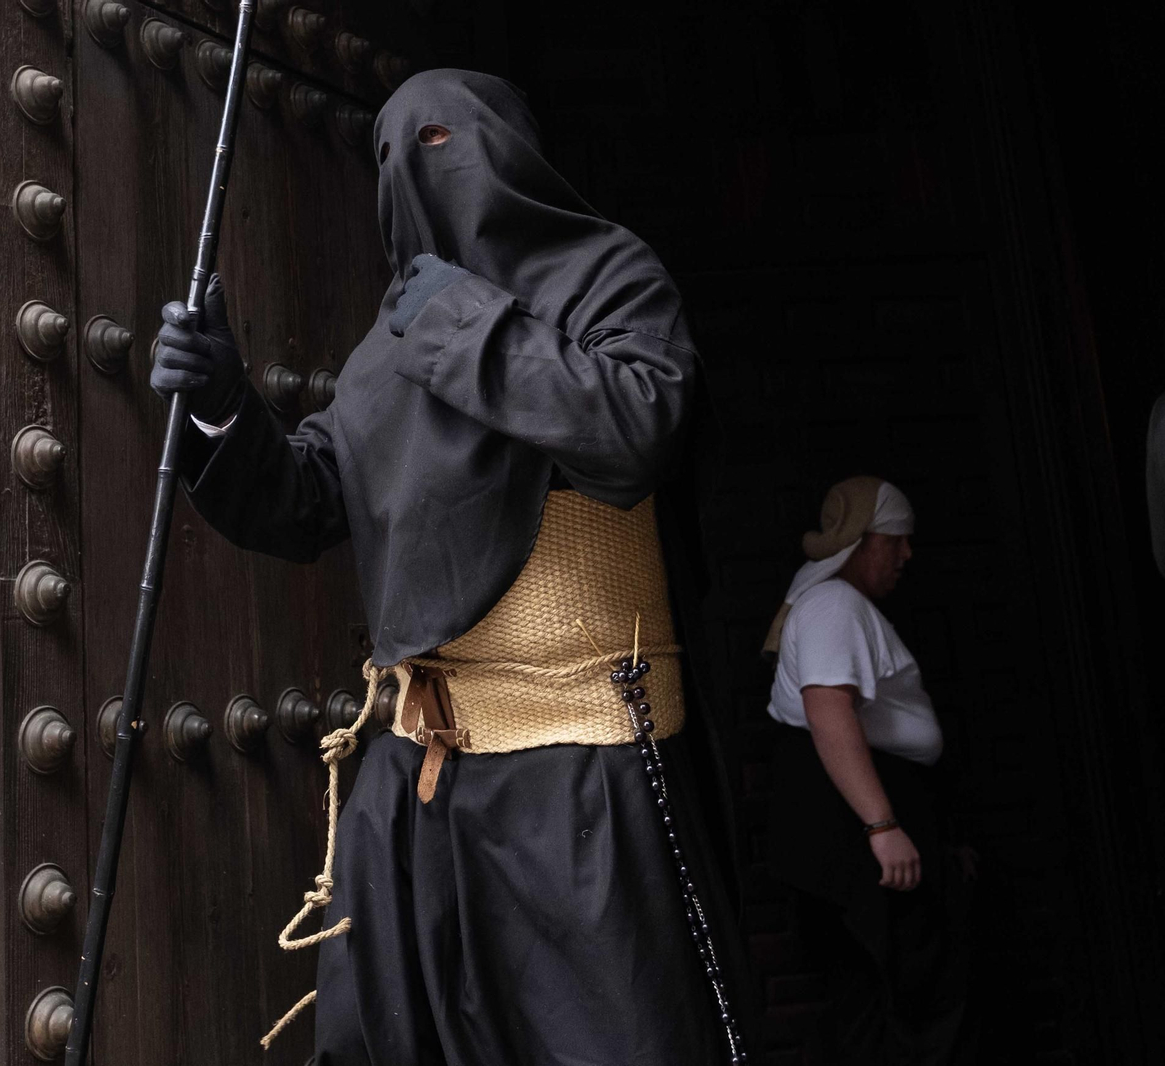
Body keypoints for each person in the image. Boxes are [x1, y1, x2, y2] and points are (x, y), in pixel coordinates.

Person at [153, 69, 748, 1065]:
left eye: (443, 141)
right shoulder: (386, 349)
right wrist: (225, 405)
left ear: (514, 150)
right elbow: (308, 499)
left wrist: (458, 318)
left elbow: (632, 429)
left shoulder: (609, 278)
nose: (422, 172)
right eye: (395, 153)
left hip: (576, 767)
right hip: (419, 782)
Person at [762, 476, 971, 1064]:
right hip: (859, 832)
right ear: (863, 541)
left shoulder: (838, 605)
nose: (907, 553)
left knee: (897, 992)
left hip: (876, 817)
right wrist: (883, 828)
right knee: (895, 999)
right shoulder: (833, 605)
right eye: (897, 538)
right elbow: (829, 713)